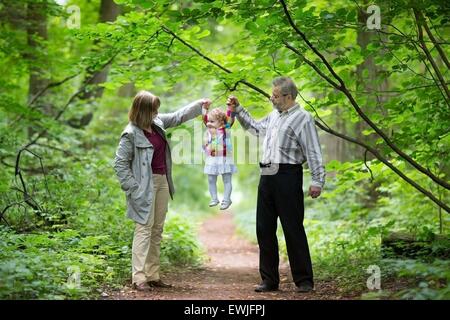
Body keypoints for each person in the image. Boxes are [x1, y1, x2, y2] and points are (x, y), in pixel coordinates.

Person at [227, 76, 325, 293]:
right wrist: (238, 109)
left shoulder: (303, 118)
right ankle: (269, 280)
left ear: (288, 97)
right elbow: (254, 129)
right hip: (267, 174)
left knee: (293, 228)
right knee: (264, 228)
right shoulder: (274, 116)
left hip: (288, 175)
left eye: (275, 95)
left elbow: (313, 151)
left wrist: (317, 180)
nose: (271, 98)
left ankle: (304, 280)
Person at [114, 90, 211, 291]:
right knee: (143, 229)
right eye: (153, 110)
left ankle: (152, 274)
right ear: (142, 111)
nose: (157, 113)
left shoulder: (156, 123)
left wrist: (199, 104)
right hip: (143, 186)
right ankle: (139, 278)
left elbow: (177, 116)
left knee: (157, 229)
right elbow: (120, 165)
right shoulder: (130, 134)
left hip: (162, 182)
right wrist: (134, 188)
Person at [201, 104, 237, 210]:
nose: (208, 123)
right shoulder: (208, 131)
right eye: (208, 121)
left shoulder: (225, 129)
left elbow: (230, 120)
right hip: (212, 159)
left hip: (224, 158)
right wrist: (204, 108)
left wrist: (230, 109)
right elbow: (204, 119)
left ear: (221, 123)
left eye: (212, 121)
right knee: (211, 179)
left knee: (227, 180)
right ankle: (214, 198)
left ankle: (226, 200)